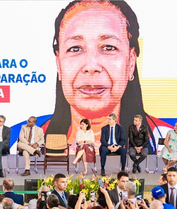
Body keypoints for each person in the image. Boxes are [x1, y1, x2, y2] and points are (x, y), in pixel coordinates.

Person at [46, 0, 149, 142]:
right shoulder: (38, 135)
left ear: (131, 62)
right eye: (75, 48)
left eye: (108, 47)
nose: (91, 66)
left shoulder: (160, 133)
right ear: (58, 63)